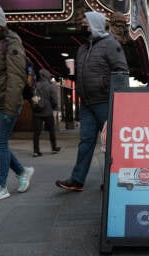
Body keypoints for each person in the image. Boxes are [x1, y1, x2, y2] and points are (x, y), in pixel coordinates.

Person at [55, 11, 128, 191]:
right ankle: (77, 180)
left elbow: (122, 71)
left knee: (110, 142)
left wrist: (119, 100)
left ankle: (112, 179)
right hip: (87, 103)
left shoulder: (111, 44)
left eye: (85, 20)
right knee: (85, 141)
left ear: (95, 23)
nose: (82, 23)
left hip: (105, 101)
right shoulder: (82, 48)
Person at [0, 4, 34, 202]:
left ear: (0, 24)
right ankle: (21, 172)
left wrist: (11, 108)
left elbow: (16, 77)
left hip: (3, 102)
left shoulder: (11, 43)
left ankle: (0, 186)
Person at [31, 68, 61, 157]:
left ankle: (36, 151)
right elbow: (54, 100)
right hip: (48, 112)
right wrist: (54, 107)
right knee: (51, 130)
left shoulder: (35, 85)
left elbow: (33, 97)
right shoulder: (50, 86)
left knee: (36, 133)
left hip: (36, 112)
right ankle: (54, 148)